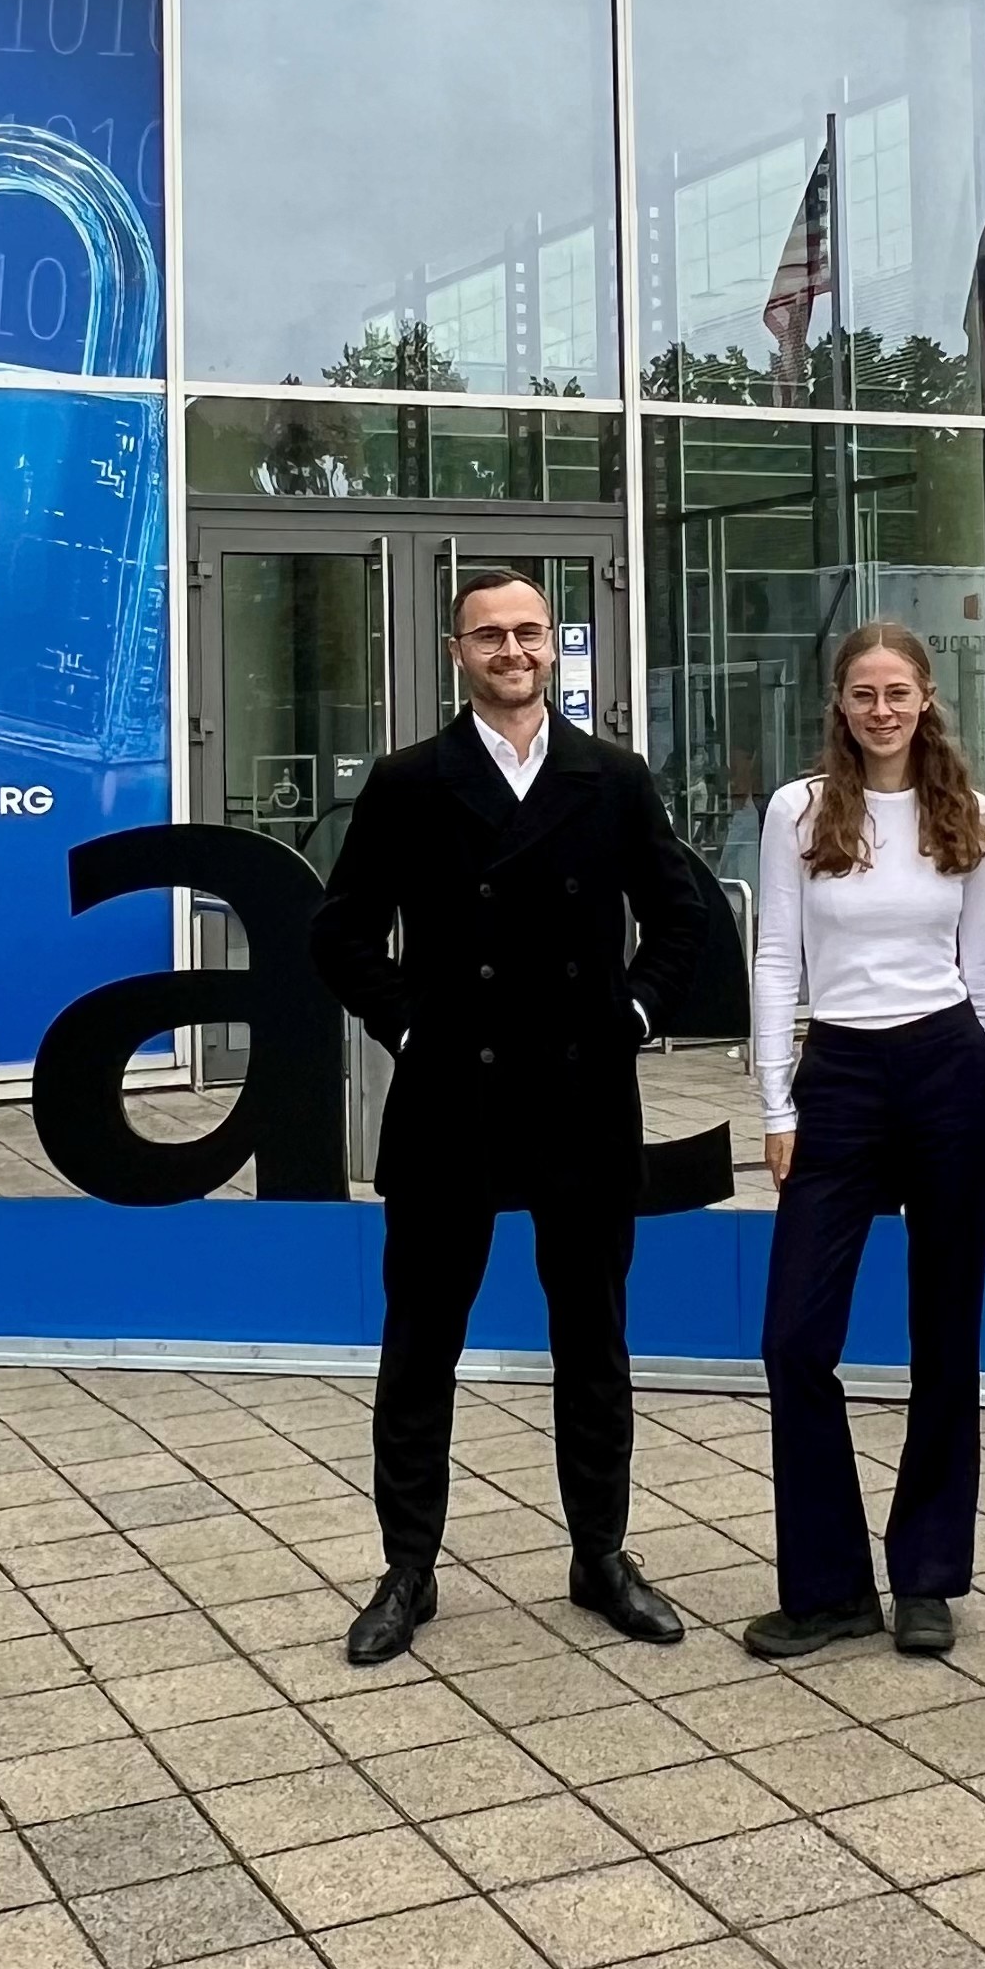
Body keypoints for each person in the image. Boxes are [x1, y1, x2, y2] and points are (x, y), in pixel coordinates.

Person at [311, 568, 705, 1667]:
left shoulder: (612, 776)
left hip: (582, 1095)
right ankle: (407, 1568)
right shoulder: (408, 781)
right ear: (458, 653)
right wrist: (409, 1027)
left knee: (594, 1344)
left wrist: (633, 1013)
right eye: (490, 635)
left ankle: (601, 1556)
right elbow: (340, 932)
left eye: (529, 631)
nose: (513, 650)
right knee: (418, 1348)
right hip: (452, 1101)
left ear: (553, 645)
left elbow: (680, 919)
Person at [745, 624, 985, 1662]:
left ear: (925, 699)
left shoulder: (971, 815)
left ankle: (926, 1577)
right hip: (840, 1078)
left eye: (897, 692)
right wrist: (776, 1103)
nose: (881, 710)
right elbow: (776, 959)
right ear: (839, 702)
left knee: (945, 1335)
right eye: (863, 693)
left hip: (949, 1072)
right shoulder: (798, 809)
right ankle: (828, 1589)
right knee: (794, 1339)